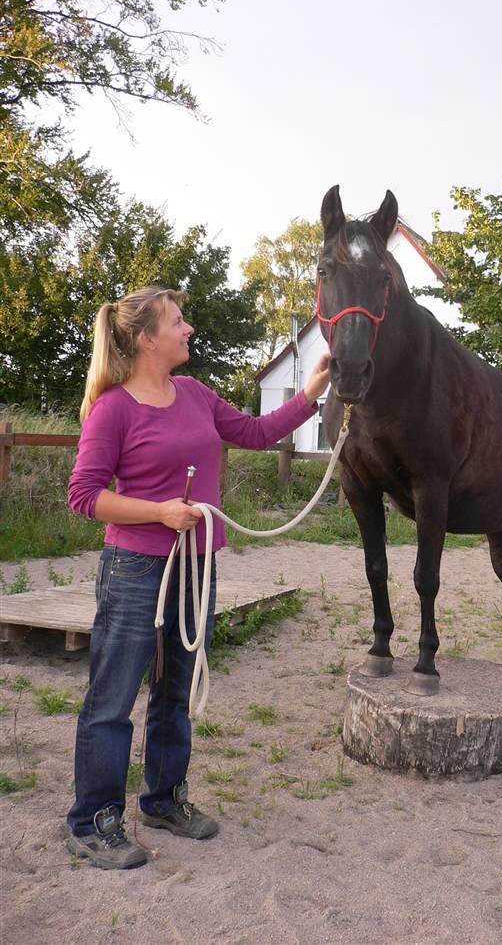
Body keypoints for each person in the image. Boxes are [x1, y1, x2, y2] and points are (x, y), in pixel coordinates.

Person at [66, 286, 329, 870]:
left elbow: (257, 433)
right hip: (136, 568)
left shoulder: (194, 393)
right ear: (145, 338)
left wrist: (312, 392)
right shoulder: (113, 409)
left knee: (175, 694)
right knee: (112, 701)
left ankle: (164, 800)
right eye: (178, 321)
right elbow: (85, 496)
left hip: (195, 565)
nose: (188, 330)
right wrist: (159, 511)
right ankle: (91, 822)